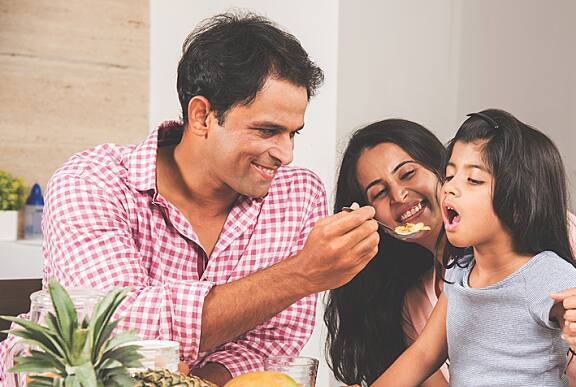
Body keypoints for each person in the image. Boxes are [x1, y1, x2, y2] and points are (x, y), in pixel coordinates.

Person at [0, 12, 380, 386]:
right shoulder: (93, 182)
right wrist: (301, 272)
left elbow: (273, 341)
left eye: (293, 133)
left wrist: (197, 384)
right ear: (201, 116)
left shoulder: (297, 193)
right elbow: (120, 331)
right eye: (267, 130)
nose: (286, 153)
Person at [325, 119, 576, 386]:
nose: (452, 188)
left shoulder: (551, 273)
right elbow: (422, 355)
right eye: (451, 176)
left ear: (516, 204)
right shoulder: (459, 275)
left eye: (473, 180)